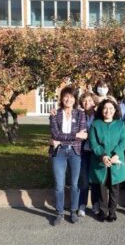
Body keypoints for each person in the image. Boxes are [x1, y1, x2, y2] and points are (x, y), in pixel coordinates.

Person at [49, 86, 87, 226]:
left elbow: (81, 137)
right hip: (58, 152)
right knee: (59, 184)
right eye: (66, 96)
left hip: (75, 152)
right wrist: (75, 134)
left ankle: (73, 211)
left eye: (71, 97)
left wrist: (73, 137)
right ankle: (59, 213)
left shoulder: (80, 114)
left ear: (75, 99)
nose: (68, 99)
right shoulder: (54, 114)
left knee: (74, 184)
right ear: (61, 98)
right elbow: (55, 135)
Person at [89, 99, 125, 222]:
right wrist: (103, 155)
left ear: (115, 110)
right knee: (101, 187)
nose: (108, 111)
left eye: (111, 108)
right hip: (101, 161)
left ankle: (112, 211)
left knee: (114, 188)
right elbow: (93, 143)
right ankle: (103, 211)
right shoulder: (96, 124)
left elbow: (123, 141)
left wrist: (117, 154)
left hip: (116, 161)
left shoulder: (120, 124)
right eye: (105, 108)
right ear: (101, 110)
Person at [78, 92, 100, 217]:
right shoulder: (79, 115)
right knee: (85, 180)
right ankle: (82, 204)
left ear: (94, 102)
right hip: (83, 151)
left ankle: (95, 204)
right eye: (84, 101)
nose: (87, 103)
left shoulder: (99, 115)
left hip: (96, 152)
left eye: (90, 101)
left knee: (95, 179)